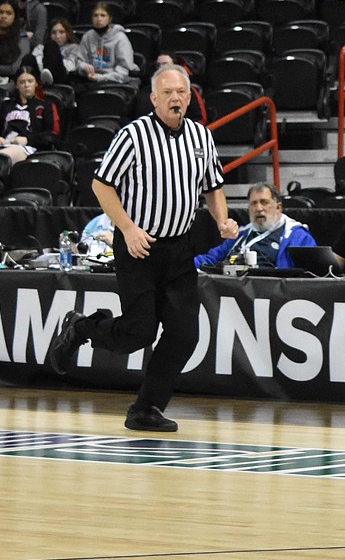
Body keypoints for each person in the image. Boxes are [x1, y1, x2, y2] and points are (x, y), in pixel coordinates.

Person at [48, 65, 237, 432]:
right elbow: (102, 186)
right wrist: (128, 228)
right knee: (139, 333)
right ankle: (81, 328)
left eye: (181, 91)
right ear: (153, 98)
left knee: (185, 334)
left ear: (189, 95)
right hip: (139, 247)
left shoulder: (201, 136)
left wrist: (221, 220)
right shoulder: (133, 136)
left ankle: (146, 408)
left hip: (179, 249)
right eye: (167, 92)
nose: (175, 98)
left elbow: (213, 187)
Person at [194, 181, 314, 270]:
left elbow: (311, 270)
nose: (258, 208)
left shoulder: (297, 235)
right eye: (253, 203)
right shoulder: (241, 234)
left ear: (278, 207)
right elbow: (210, 259)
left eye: (264, 202)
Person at [0, 62, 62, 165]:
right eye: (22, 82)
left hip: (30, 148)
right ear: (17, 85)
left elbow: (53, 134)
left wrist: (28, 140)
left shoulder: (46, 105)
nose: (26, 85)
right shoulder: (5, 105)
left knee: (0, 159)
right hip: (3, 144)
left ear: (36, 84)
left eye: (30, 81)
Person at [78, 2, 136, 83]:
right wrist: (84, 66)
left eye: (102, 15)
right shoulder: (87, 36)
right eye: (95, 15)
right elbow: (80, 61)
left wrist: (101, 78)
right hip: (90, 79)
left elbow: (124, 71)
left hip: (115, 82)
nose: (98, 19)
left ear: (110, 19)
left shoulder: (120, 38)